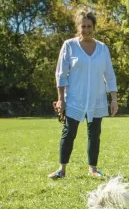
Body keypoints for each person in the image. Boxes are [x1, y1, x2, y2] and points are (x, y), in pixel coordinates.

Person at [48, 9, 118, 179]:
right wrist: (61, 99)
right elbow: (61, 74)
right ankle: (62, 169)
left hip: (96, 98)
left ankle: (93, 169)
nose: (86, 30)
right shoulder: (69, 46)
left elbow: (109, 75)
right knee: (68, 133)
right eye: (83, 26)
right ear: (78, 27)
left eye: (89, 26)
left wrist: (114, 99)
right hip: (74, 99)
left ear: (94, 27)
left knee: (94, 134)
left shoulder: (102, 48)